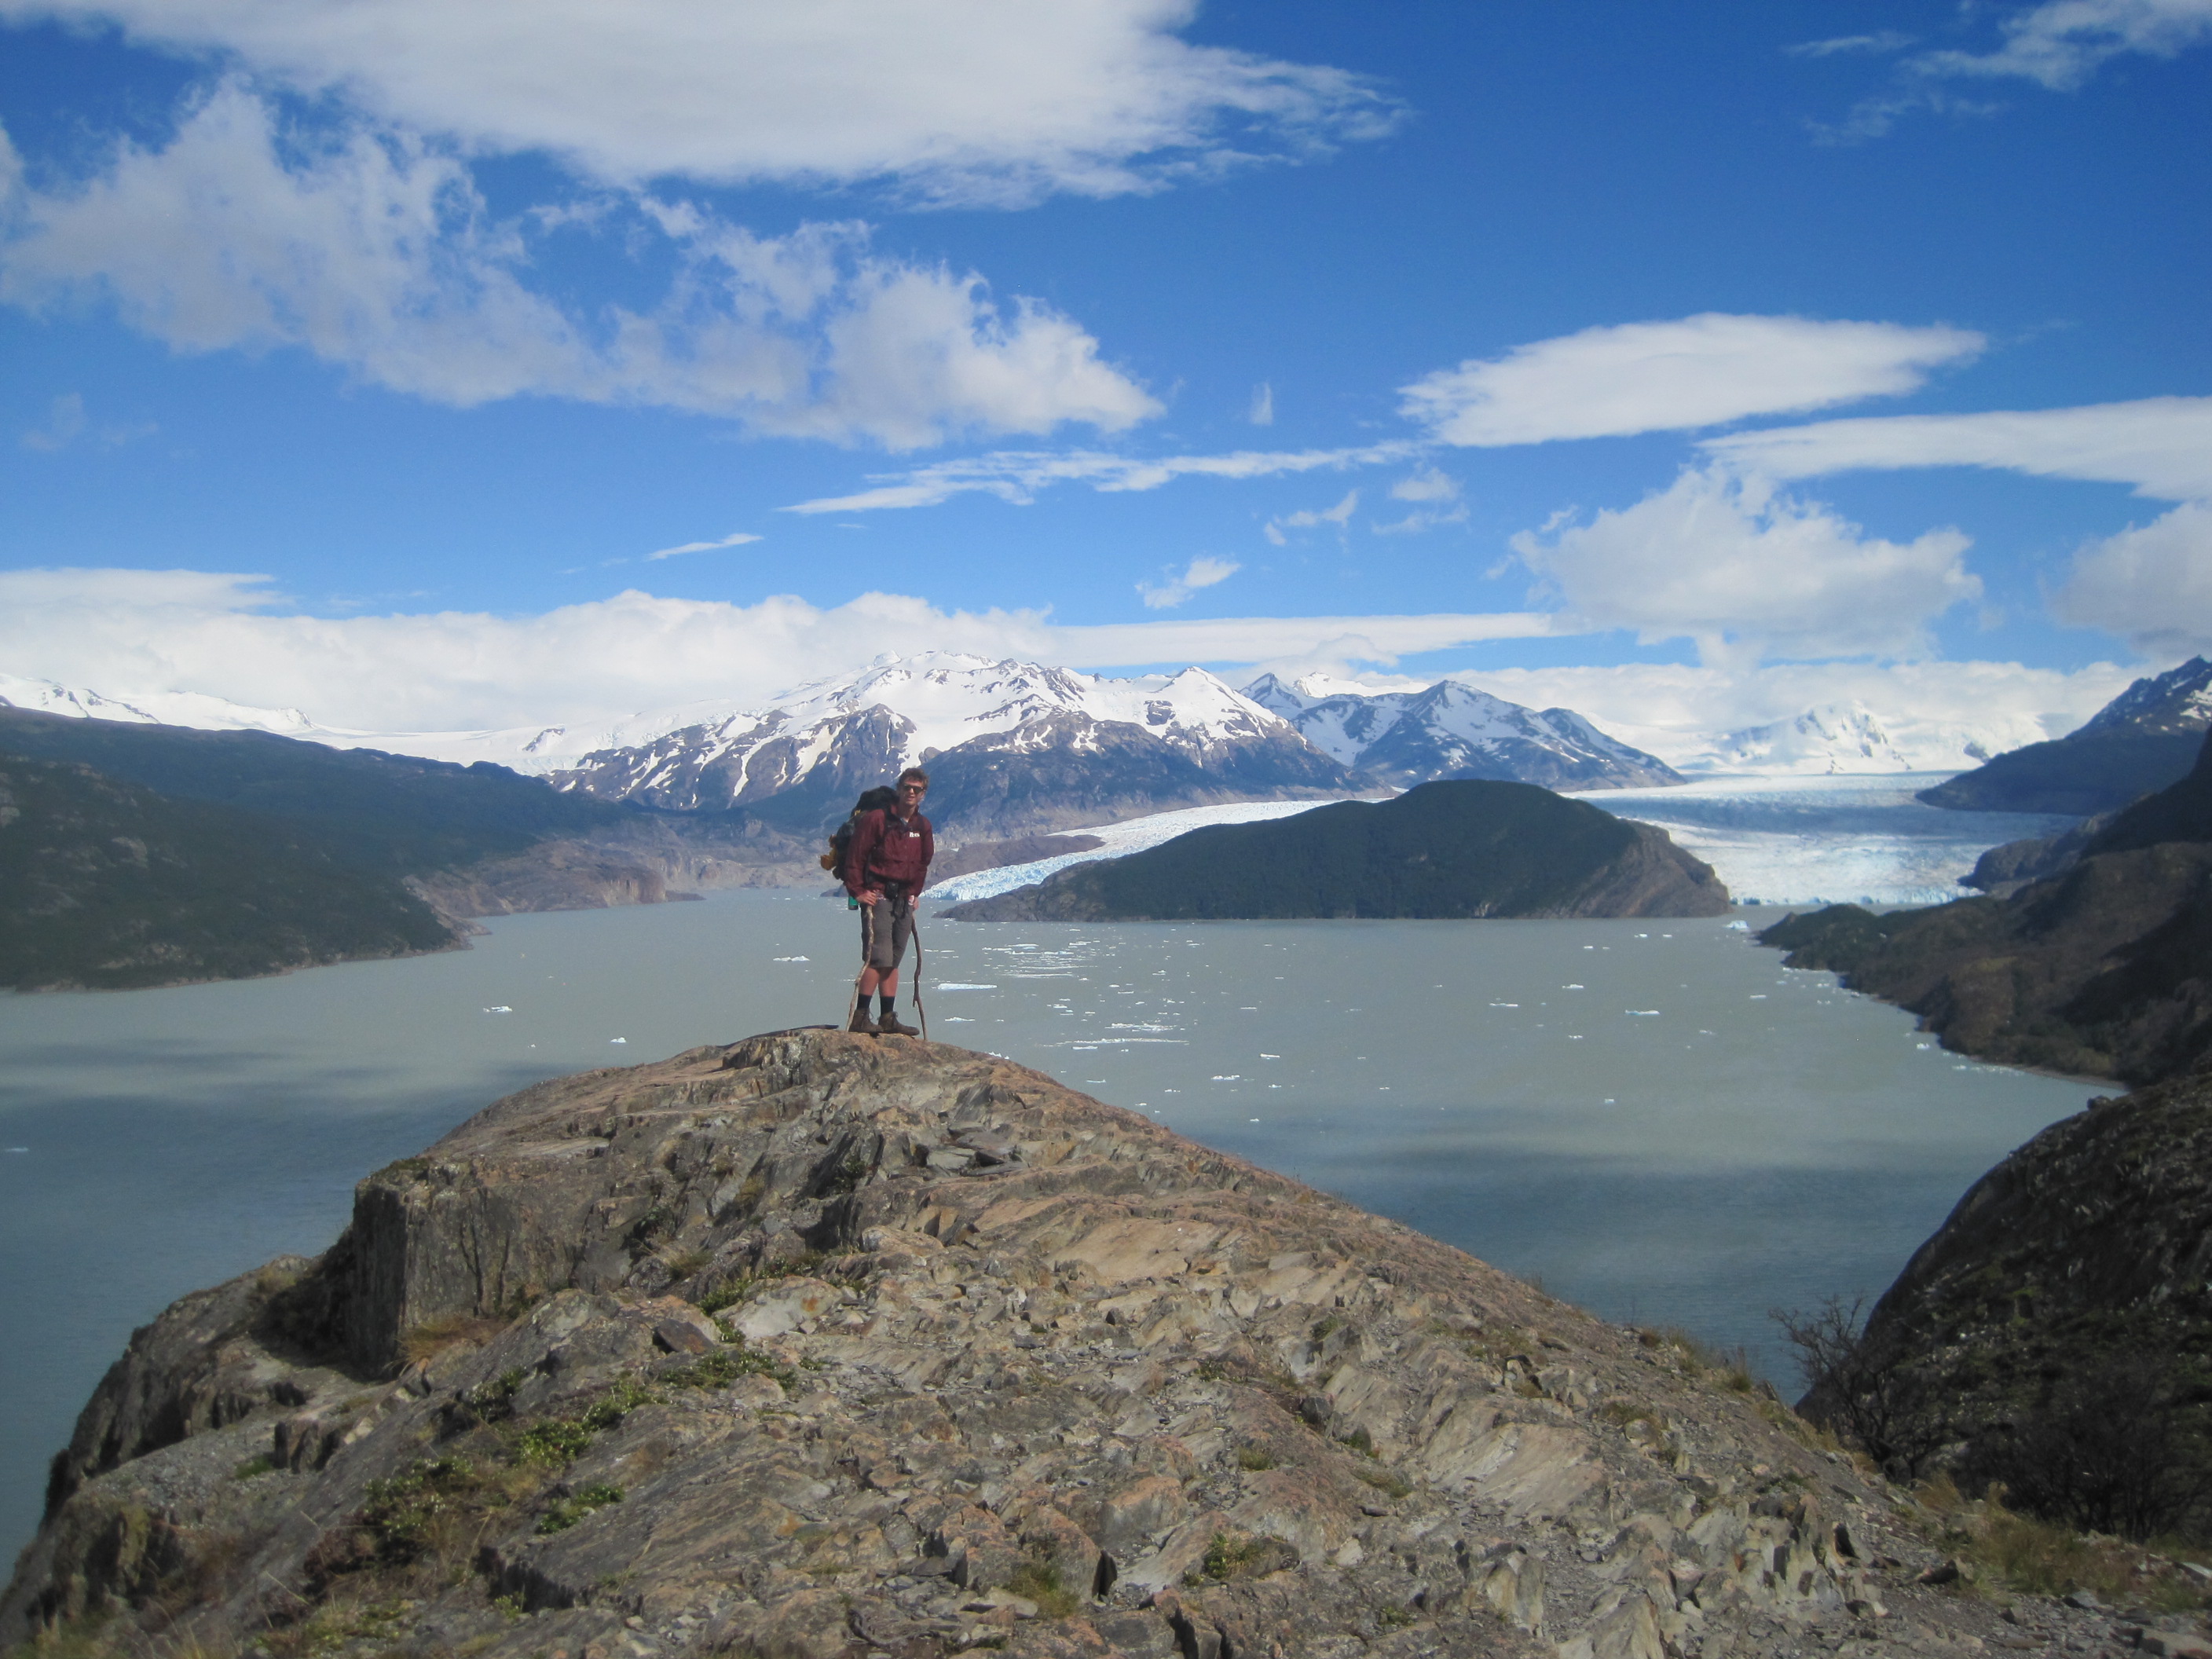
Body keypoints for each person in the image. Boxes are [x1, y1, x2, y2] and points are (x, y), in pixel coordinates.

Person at [844, 767, 934, 1035]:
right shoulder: (876, 820)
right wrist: (858, 890)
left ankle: (887, 1017)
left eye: (916, 789)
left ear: (923, 794)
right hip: (878, 894)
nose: (911, 792)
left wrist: (915, 892)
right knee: (878, 957)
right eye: (907, 787)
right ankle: (860, 1017)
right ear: (899, 789)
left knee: (893, 959)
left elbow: (923, 862)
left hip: (904, 898)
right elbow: (855, 857)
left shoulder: (922, 826)